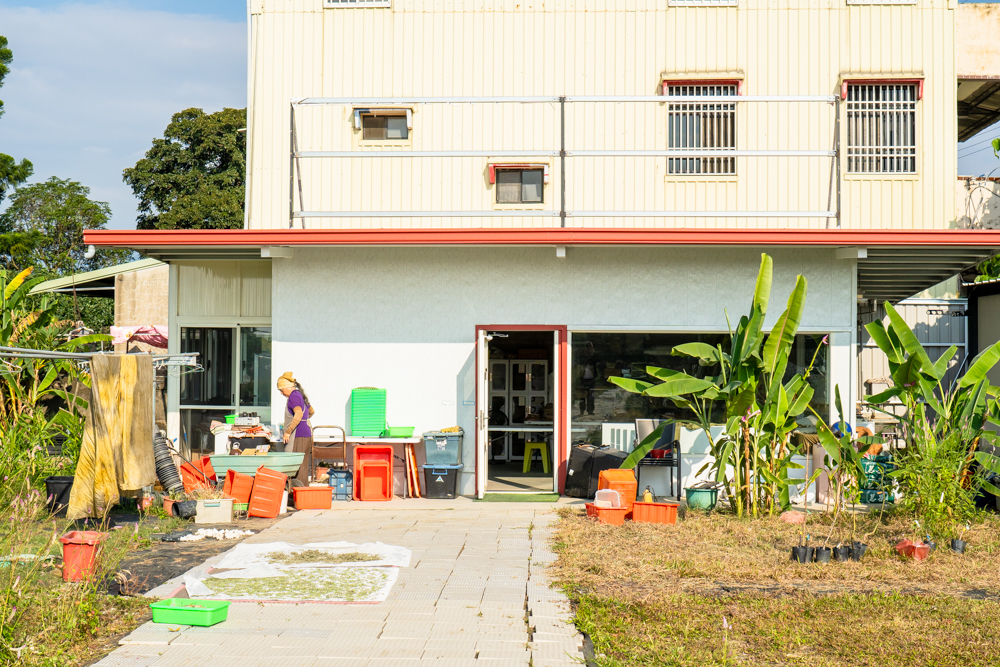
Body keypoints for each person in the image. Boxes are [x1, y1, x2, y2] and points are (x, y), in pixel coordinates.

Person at [277, 372, 314, 484]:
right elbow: (311, 411)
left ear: (287, 387)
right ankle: (302, 495)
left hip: (298, 436)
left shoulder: (293, 396)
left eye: (281, 390)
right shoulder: (300, 395)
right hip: (306, 434)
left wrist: (288, 431)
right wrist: (304, 422)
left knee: (296, 467)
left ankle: (296, 494)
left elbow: (298, 414)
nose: (281, 393)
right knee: (302, 466)